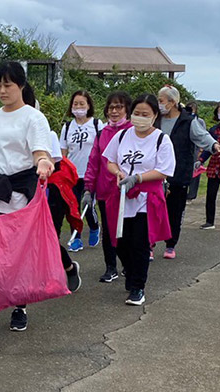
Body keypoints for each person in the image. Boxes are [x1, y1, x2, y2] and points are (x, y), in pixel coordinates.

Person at [0, 62, 81, 332]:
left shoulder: (33, 118)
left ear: (21, 86)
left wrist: (43, 162)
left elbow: (40, 152)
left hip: (19, 194)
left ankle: (20, 306)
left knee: (18, 256)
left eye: (8, 85)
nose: (2, 90)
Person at [101, 94, 176, 305]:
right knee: (120, 242)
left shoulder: (162, 139)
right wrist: (120, 174)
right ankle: (131, 272)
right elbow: (110, 160)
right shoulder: (123, 136)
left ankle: (138, 287)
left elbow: (164, 170)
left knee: (140, 242)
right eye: (136, 113)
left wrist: (139, 178)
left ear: (154, 116)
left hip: (147, 198)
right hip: (123, 195)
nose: (140, 118)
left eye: (145, 114)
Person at [157, 85, 220, 259]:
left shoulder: (187, 121)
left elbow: (203, 136)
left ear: (172, 102)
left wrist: (214, 145)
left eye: (161, 101)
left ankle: (171, 244)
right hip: (155, 173)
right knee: (153, 211)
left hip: (179, 173)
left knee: (175, 212)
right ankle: (149, 243)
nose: (159, 104)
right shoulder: (156, 119)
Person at [83, 92, 134, 283]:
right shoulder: (101, 134)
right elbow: (94, 162)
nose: (114, 111)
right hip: (105, 191)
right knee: (108, 231)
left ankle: (129, 267)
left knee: (126, 232)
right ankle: (110, 266)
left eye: (119, 107)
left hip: (128, 192)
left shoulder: (133, 132)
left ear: (127, 109)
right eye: (111, 107)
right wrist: (89, 189)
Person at [59, 90, 102, 251]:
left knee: (88, 206)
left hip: (90, 174)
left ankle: (94, 226)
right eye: (75, 104)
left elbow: (102, 150)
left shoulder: (97, 125)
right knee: (73, 207)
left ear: (88, 105)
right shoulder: (68, 126)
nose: (78, 107)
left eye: (81, 104)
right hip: (72, 175)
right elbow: (63, 150)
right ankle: (76, 238)